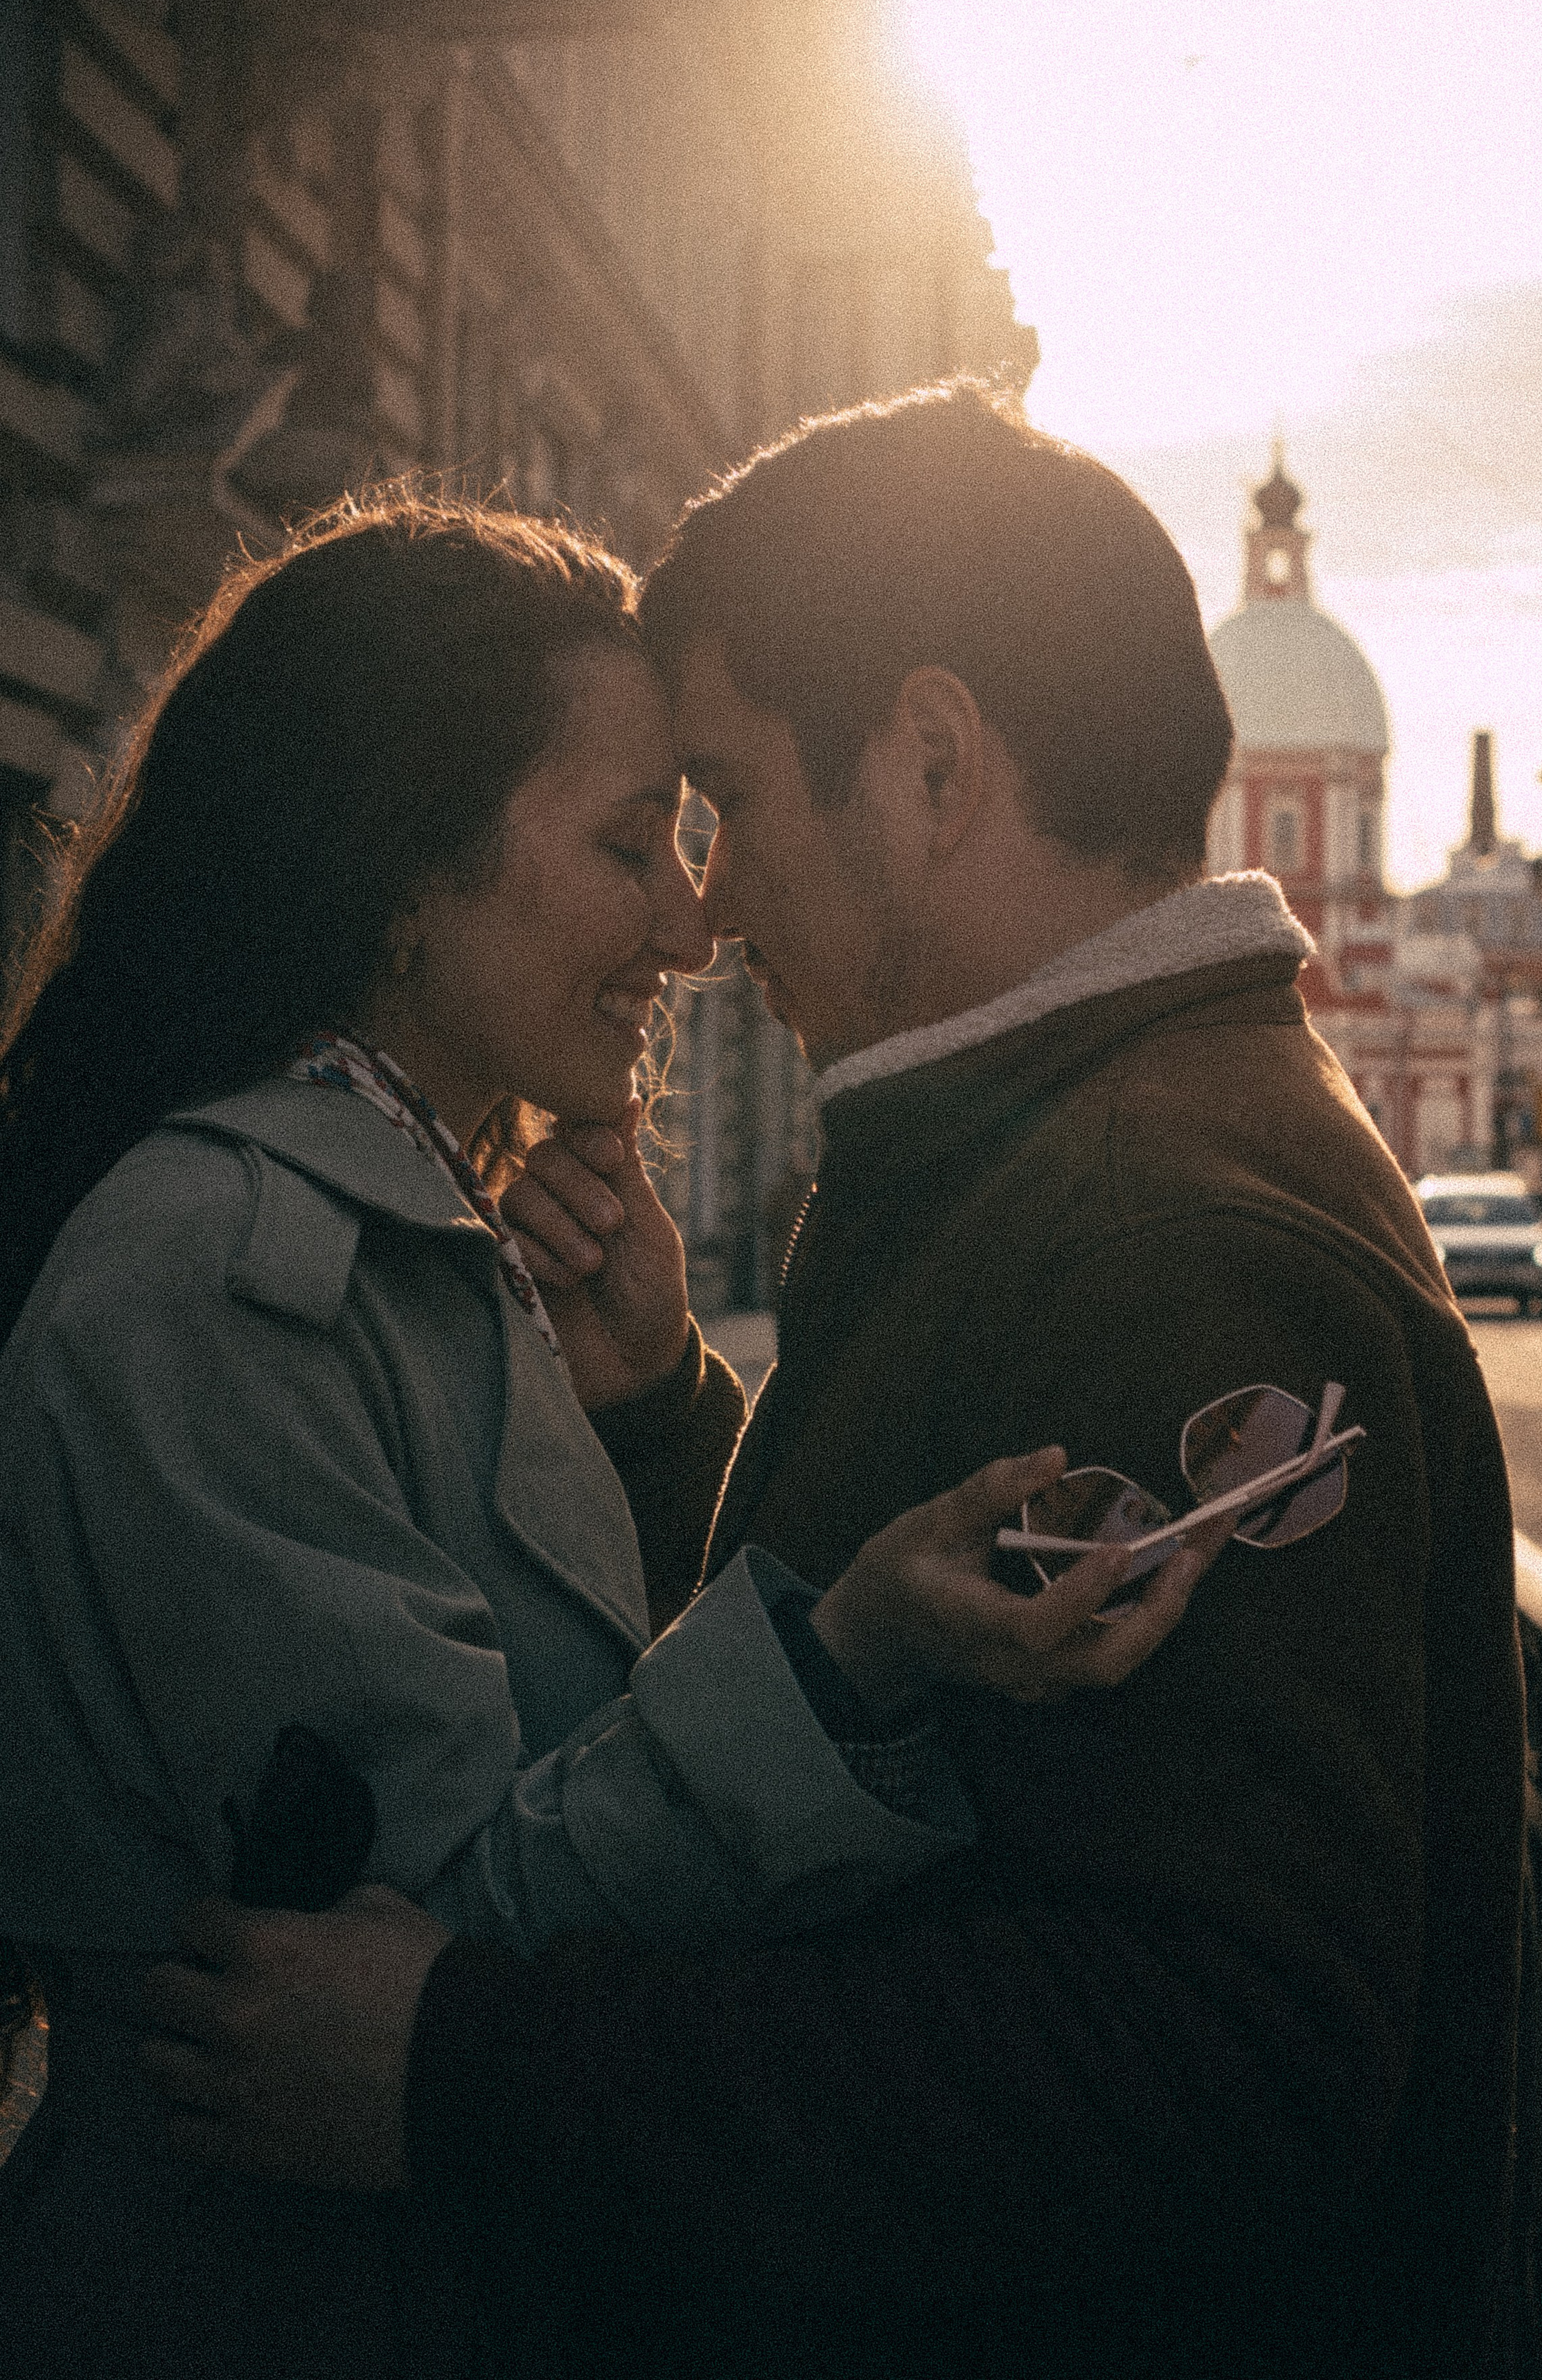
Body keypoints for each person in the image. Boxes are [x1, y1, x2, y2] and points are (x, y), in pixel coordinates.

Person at [140, 391, 1526, 2380]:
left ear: (933, 760)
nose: (705, 914)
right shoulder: (1103, 1143)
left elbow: (1219, 2057)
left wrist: (467, 2065)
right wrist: (675, 1424)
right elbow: (993, 1741)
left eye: (725, 797)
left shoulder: (1168, 1231)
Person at [0, 487, 1215, 2380]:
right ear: (406, 877)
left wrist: (651, 1413)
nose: (692, 920)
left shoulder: (423, 1231)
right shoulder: (228, 1280)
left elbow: (554, 1760)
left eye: (697, 834)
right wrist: (844, 1660)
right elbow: (416, 1967)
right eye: (632, 842)